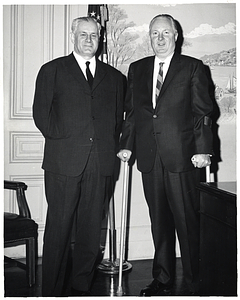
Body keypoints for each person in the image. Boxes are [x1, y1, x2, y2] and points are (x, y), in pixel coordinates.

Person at [118, 14, 213, 296]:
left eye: (165, 33)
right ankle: (163, 278)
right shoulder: (137, 69)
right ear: (150, 37)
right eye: (154, 34)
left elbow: (203, 114)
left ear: (176, 36)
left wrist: (204, 150)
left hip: (182, 157)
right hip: (149, 156)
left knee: (186, 220)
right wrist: (127, 143)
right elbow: (132, 113)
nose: (159, 39)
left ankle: (197, 278)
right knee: (159, 222)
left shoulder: (193, 68)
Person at [33, 16, 124, 296]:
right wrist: (67, 140)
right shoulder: (53, 70)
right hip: (64, 162)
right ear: (73, 36)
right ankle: (51, 289)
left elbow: (118, 121)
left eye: (94, 35)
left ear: (100, 38)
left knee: (89, 230)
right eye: (83, 34)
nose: (88, 40)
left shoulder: (115, 78)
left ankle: (81, 285)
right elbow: (41, 115)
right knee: (59, 228)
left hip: (101, 162)